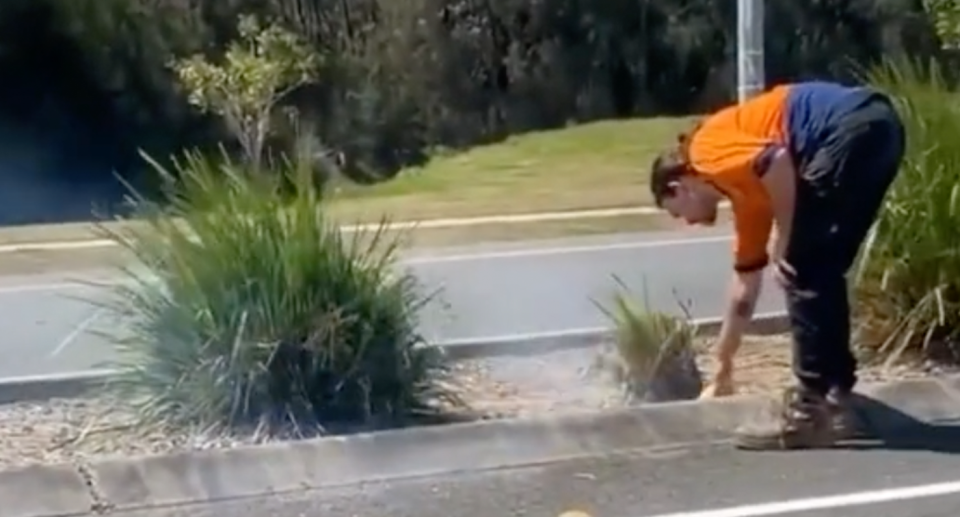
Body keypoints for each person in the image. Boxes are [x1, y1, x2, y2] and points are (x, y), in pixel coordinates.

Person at [648, 81, 905, 450]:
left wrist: (783, 241)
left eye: (677, 213)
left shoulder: (705, 151)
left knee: (801, 263)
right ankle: (837, 399)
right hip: (881, 127)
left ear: (678, 187)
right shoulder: (743, 193)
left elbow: (777, 160)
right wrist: (723, 367)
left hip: (847, 129)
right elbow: (744, 288)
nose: (687, 222)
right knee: (822, 269)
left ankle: (808, 410)